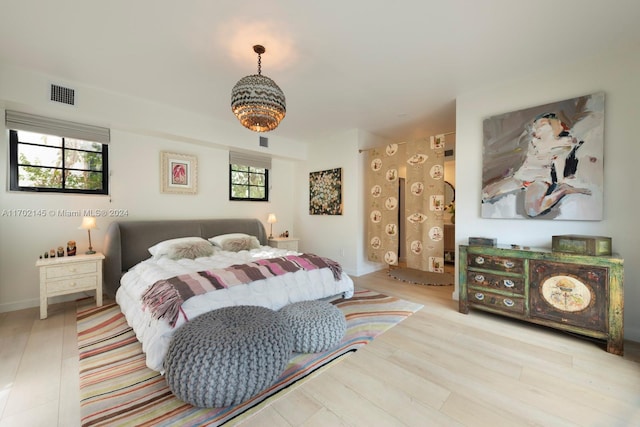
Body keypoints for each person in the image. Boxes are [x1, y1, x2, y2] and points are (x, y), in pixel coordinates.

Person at [482, 113, 591, 217]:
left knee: (533, 211)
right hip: (521, 176)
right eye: (535, 124)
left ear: (553, 127)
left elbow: (559, 162)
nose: (536, 127)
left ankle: (564, 191)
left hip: (539, 179)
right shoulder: (534, 141)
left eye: (542, 125)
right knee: (486, 193)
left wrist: (561, 181)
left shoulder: (563, 145)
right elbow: (540, 149)